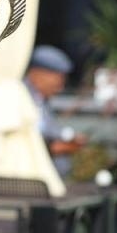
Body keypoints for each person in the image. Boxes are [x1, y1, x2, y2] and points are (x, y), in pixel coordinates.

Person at [25, 44, 83, 173]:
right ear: (38, 74)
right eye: (58, 79)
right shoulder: (21, 97)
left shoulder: (41, 101)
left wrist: (70, 139)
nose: (60, 87)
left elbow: (51, 131)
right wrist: (60, 147)